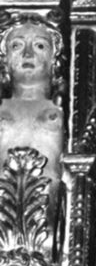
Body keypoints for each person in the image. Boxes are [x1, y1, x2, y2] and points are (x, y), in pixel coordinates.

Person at [0, 14, 63, 190]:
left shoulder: (67, 111)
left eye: (40, 46)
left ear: (54, 58)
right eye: (17, 46)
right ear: (4, 58)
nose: (28, 54)